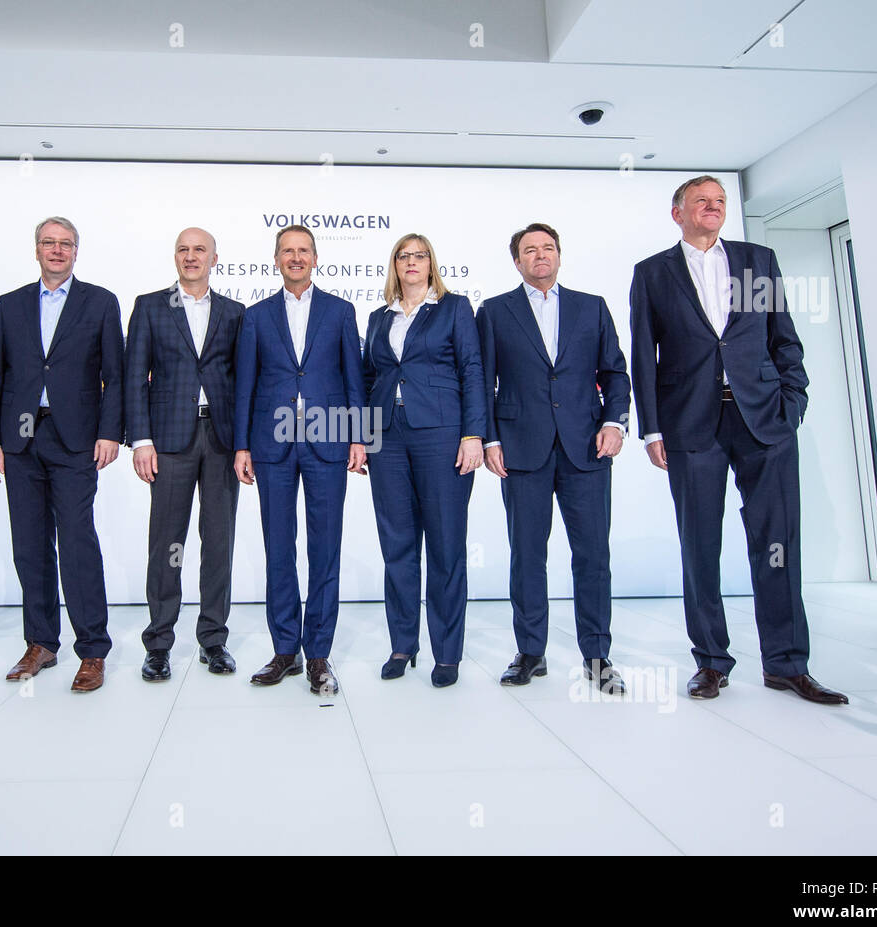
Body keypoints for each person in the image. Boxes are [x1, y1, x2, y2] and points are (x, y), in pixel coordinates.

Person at [629, 175, 848, 704]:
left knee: (776, 544)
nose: (713, 207)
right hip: (690, 426)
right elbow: (642, 356)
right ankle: (711, 662)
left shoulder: (758, 260)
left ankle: (786, 664)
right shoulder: (653, 273)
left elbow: (783, 337)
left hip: (764, 421)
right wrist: (652, 428)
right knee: (700, 546)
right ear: (677, 211)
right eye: (701, 201)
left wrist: (791, 402)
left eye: (720, 201)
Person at [477, 223, 631, 693]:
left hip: (587, 446)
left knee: (592, 554)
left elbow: (616, 372)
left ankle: (598, 655)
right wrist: (489, 439)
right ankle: (530, 652)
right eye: (530, 250)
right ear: (517, 260)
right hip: (522, 448)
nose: (540, 256)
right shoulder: (494, 311)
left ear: (559, 255)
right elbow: (484, 382)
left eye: (547, 248)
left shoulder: (592, 307)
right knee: (527, 554)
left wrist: (615, 422)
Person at [0, 216, 123, 693]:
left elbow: (116, 376)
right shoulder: (11, 304)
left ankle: (93, 650)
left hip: (76, 440)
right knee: (30, 545)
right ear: (36, 249)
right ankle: (41, 642)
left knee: (78, 543)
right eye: (49, 243)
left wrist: (110, 433)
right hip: (20, 440)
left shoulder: (100, 302)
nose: (57, 250)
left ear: (76, 252)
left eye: (65, 244)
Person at [233, 225, 366, 696]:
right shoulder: (256, 316)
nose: (296, 257)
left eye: (303, 250)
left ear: (315, 257)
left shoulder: (341, 311)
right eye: (287, 251)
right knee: (279, 548)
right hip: (272, 446)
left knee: (325, 549)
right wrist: (242, 446)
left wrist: (359, 438)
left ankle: (319, 654)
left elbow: (355, 376)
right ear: (275, 259)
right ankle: (285, 650)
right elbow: (245, 384)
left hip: (329, 440)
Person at [362, 233, 484, 687]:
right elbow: (368, 376)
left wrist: (473, 433)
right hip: (386, 439)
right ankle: (402, 644)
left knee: (446, 547)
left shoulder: (454, 308)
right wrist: (360, 437)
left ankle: (447, 653)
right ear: (394, 265)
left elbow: (472, 368)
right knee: (397, 545)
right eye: (403, 256)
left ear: (432, 264)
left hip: (441, 436)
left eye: (420, 255)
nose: (411, 262)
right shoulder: (378, 318)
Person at [125, 228, 245, 681]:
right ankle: (158, 643)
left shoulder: (235, 313)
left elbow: (244, 381)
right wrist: (140, 440)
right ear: (174, 257)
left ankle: (214, 640)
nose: (191, 256)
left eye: (200, 250)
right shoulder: (150, 306)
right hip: (168, 441)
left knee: (218, 543)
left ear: (215, 258)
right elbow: (135, 375)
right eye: (183, 249)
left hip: (221, 440)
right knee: (167, 544)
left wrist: (244, 444)